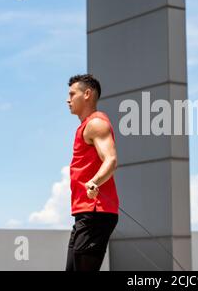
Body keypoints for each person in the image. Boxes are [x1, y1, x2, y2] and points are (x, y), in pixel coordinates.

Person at [65, 74, 119, 271]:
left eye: (72, 94)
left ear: (87, 94)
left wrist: (95, 181)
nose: (68, 99)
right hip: (85, 213)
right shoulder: (85, 126)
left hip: (96, 212)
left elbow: (111, 160)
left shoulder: (96, 124)